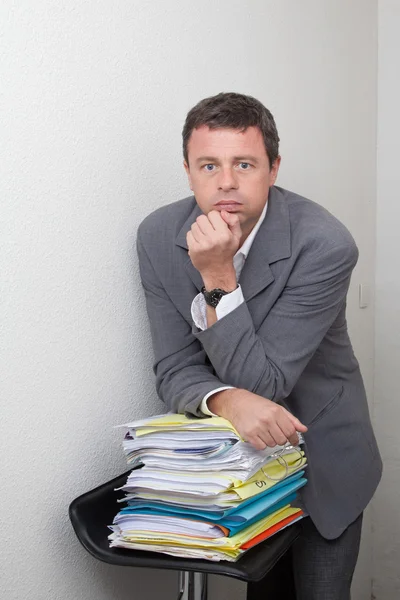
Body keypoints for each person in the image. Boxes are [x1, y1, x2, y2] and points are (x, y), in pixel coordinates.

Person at [136, 92, 382, 599]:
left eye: (244, 163)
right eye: (209, 165)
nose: (225, 182)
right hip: (238, 464)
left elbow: (265, 383)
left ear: (273, 168)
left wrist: (217, 274)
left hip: (323, 456)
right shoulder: (159, 235)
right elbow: (173, 368)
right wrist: (225, 399)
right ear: (187, 170)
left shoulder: (325, 243)